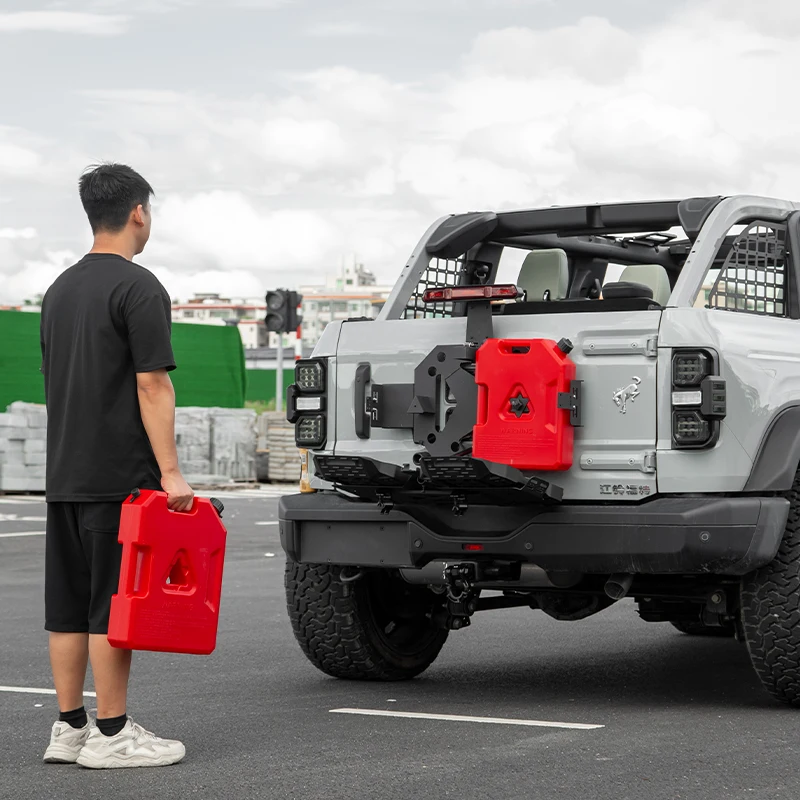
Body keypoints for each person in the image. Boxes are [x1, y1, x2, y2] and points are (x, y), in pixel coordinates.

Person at [40, 163, 194, 769]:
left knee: (69, 606)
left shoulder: (59, 289)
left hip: (64, 475)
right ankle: (111, 733)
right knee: (111, 604)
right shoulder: (138, 286)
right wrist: (172, 474)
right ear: (138, 212)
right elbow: (152, 385)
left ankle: (69, 728)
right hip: (115, 477)